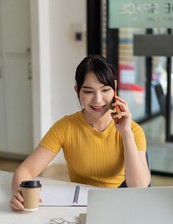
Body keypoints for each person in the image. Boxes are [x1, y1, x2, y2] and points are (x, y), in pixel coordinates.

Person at [10, 54, 151, 211]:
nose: (98, 100)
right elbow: (25, 170)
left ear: (115, 88)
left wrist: (125, 133)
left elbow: (139, 186)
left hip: (120, 206)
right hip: (79, 207)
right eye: (88, 91)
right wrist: (20, 193)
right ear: (77, 89)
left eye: (105, 90)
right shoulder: (65, 126)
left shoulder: (133, 130)